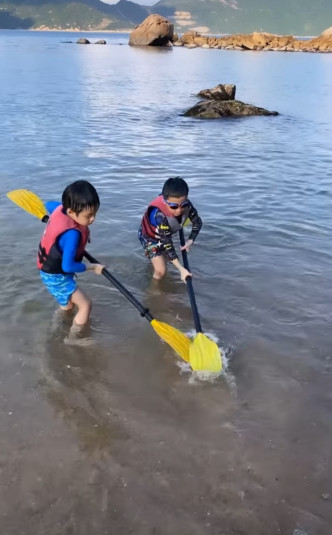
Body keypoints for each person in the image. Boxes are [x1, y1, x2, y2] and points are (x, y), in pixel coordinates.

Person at [37, 180, 104, 339]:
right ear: (72, 213)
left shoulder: (60, 209)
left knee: (67, 306)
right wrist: (92, 267)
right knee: (86, 305)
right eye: (88, 216)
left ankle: (56, 327)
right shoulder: (72, 234)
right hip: (57, 276)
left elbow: (49, 204)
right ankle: (73, 339)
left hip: (48, 272)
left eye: (95, 213)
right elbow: (68, 266)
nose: (93, 219)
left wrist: (52, 216)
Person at [138, 176, 202, 281]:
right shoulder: (160, 216)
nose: (179, 210)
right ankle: (154, 293)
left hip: (164, 235)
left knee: (167, 259)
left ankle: (154, 262)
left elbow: (198, 222)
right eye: (173, 206)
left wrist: (190, 240)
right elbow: (168, 245)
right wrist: (181, 269)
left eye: (183, 204)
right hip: (149, 238)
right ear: (164, 202)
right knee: (161, 271)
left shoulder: (187, 206)